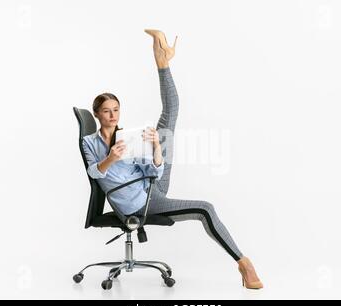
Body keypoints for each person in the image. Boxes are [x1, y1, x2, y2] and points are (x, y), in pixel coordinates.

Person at [82, 29, 263, 289]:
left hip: (150, 183)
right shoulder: (89, 142)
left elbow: (153, 168)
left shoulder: (125, 136)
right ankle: (243, 262)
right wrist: (110, 158)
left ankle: (162, 60)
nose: (113, 115)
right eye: (106, 111)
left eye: (116, 110)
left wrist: (156, 147)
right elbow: (94, 173)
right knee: (205, 209)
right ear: (97, 114)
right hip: (137, 205)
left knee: (168, 119)